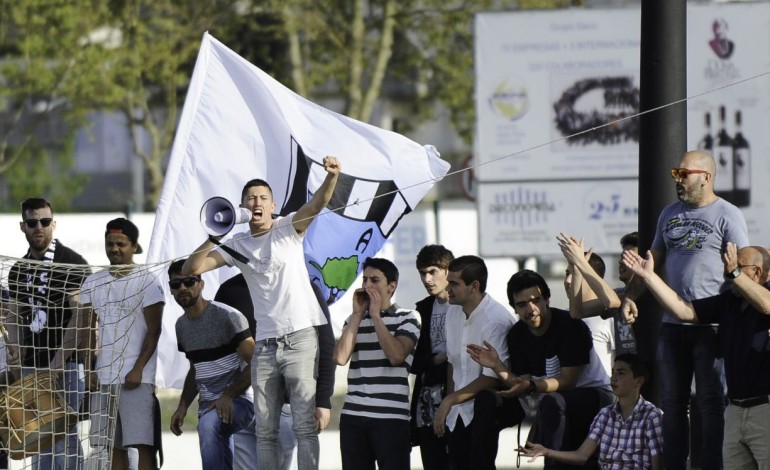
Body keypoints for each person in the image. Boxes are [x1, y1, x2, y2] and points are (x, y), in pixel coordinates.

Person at [182, 156, 340, 470]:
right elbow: (191, 268)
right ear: (242, 207)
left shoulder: (288, 226)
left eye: (263, 198)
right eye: (251, 198)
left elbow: (318, 204)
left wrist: (332, 177)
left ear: (272, 205)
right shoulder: (236, 243)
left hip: (300, 339)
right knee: (265, 430)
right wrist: (215, 234)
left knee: (304, 427)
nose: (257, 202)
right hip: (265, 346)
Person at [622, 243, 770, 469]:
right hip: (735, 410)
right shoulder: (728, 301)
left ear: (757, 272)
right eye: (728, 269)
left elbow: (767, 305)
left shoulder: (764, 296)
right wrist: (649, 277)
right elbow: (684, 311)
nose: (728, 274)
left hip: (764, 410)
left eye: (737, 267)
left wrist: (735, 274)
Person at [646, 150, 749, 469]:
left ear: (705, 177)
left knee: (710, 402)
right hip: (672, 324)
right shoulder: (668, 213)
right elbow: (653, 261)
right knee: (673, 405)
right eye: (675, 174)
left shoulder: (728, 214)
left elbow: (743, 267)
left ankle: (711, 465)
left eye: (683, 174)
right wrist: (631, 298)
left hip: (710, 325)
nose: (677, 180)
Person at [467, 269, 612, 470]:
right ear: (515, 309)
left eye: (536, 300)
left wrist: (532, 385)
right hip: (552, 400)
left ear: (547, 300)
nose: (531, 309)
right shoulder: (517, 335)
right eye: (522, 304)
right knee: (488, 399)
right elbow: (522, 385)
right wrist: (497, 366)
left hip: (594, 396)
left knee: (552, 400)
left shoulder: (570, 325)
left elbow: (567, 382)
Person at [214, 274, 336, 470]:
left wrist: (322, 399)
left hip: (286, 403)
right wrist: (224, 394)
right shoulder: (229, 291)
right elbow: (217, 348)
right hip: (241, 400)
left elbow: (326, 343)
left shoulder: (303, 287)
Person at [5, 197, 91, 469]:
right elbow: (16, 316)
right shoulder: (19, 269)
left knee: (64, 435)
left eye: (44, 221)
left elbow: (80, 317)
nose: (39, 227)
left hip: (65, 365)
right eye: (32, 223)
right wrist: (15, 355)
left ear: (54, 223)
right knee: (38, 437)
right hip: (33, 365)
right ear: (23, 226)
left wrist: (58, 361)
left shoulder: (72, 263)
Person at [80, 218, 164, 470]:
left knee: (143, 445)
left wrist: (138, 368)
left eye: (121, 244)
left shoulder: (147, 281)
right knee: (112, 446)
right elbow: (86, 327)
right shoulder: (93, 282)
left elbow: (154, 330)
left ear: (134, 246)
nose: (114, 249)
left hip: (136, 378)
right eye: (110, 244)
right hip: (105, 376)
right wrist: (89, 368)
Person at [166, 259, 256, 470]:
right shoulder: (181, 326)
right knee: (212, 435)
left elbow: (258, 363)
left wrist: (229, 395)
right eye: (175, 284)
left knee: (208, 425)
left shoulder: (227, 316)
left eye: (189, 281)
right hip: (208, 407)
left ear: (201, 283)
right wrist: (182, 406)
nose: (182, 288)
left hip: (240, 402)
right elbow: (196, 369)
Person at [333, 257, 420, 470]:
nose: (367, 286)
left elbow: (397, 356)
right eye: (364, 280)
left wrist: (375, 316)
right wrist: (356, 315)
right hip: (354, 415)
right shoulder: (354, 320)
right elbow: (340, 358)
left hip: (390, 417)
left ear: (392, 286)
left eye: (374, 280)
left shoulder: (408, 317)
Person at [433, 255, 519, 470]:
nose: (448, 288)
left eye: (454, 283)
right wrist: (449, 404)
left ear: (474, 286)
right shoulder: (453, 311)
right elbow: (453, 363)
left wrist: (449, 400)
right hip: (457, 410)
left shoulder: (495, 319)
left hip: (486, 410)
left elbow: (492, 379)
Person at [520, 354, 663, 469]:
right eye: (613, 372)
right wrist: (547, 451)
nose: (614, 378)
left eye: (621, 373)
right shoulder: (605, 415)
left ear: (638, 381)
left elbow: (657, 464)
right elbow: (582, 456)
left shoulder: (652, 417)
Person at [410, 245, 454, 469]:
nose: (427, 279)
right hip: (428, 393)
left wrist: (446, 357)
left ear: (447, 270)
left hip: (457, 392)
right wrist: (432, 360)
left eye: (432, 271)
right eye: (422, 273)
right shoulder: (423, 309)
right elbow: (415, 361)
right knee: (432, 459)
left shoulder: (462, 306)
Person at [558, 235, 618, 377]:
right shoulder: (562, 318)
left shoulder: (610, 316)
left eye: (575, 273)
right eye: (567, 273)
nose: (568, 280)